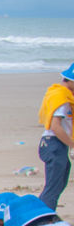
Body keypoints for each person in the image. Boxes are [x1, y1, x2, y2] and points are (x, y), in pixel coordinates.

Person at [36, 62, 74, 210]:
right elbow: (55, 126)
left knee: (59, 184)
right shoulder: (60, 97)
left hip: (58, 144)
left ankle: (41, 213)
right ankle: (44, 217)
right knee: (53, 187)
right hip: (53, 143)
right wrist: (72, 145)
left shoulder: (66, 97)